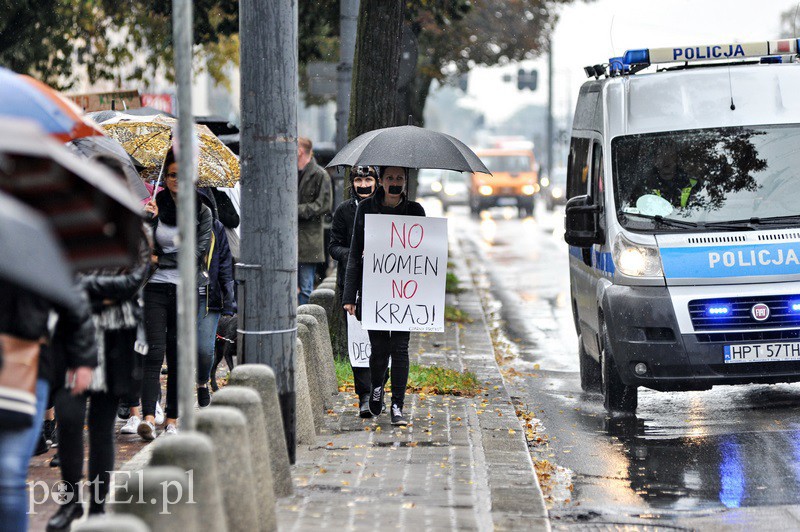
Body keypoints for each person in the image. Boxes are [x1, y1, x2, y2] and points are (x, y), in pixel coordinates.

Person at [47, 233, 150, 528]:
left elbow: (131, 283)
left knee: (102, 428)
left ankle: (97, 507)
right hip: (72, 332)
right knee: (68, 418)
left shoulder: (133, 232)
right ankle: (70, 503)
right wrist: (99, 292)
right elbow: (58, 279)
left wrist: (85, 285)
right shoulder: (71, 230)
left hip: (116, 337)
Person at [0, 282, 95, 532]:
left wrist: (82, 358)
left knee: (8, 470)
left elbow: (73, 301)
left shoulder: (37, 253)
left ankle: (75, 501)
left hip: (23, 360)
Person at [342, 166, 425, 426]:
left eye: (399, 178)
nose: (395, 182)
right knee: (378, 350)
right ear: (381, 181)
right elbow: (355, 253)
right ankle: (377, 386)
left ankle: (398, 405)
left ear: (406, 181)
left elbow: (424, 251)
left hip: (404, 294)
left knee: (400, 349)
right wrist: (349, 295)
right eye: (390, 178)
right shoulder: (366, 210)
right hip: (374, 291)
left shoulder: (415, 211)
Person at [138, 149, 212, 440]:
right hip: (154, 287)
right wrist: (149, 222)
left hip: (185, 288)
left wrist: (162, 259)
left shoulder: (202, 211)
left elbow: (195, 253)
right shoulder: (153, 207)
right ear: (165, 177)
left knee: (177, 352)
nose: (177, 180)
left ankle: (171, 419)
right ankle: (146, 417)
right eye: (171, 175)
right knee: (153, 351)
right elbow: (143, 250)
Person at [329, 166, 379, 417]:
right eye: (358, 179)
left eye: (368, 179)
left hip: (385, 287)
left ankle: (379, 388)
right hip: (353, 287)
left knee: (382, 343)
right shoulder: (344, 211)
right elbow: (333, 246)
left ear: (376, 182)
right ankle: (364, 394)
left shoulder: (386, 209)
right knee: (359, 342)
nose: (363, 184)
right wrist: (352, 255)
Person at [197, 190, 236, 402]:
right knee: (176, 348)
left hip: (208, 296)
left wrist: (228, 303)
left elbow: (224, 267)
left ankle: (202, 380)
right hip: (176, 293)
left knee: (205, 349)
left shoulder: (216, 228)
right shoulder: (170, 222)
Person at [297, 137, 332, 305]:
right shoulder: (290, 172)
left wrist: (296, 211)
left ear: (300, 151)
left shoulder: (319, 174)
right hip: (293, 240)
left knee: (305, 287)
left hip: (309, 241)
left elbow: (324, 205)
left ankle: (302, 320)